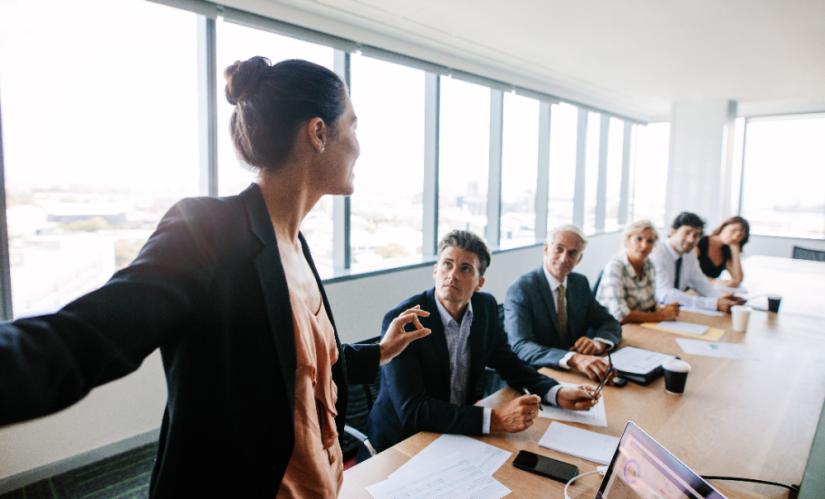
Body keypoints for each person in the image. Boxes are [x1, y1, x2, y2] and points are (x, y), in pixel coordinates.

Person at [0, 58, 431, 498]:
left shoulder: (296, 244)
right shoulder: (208, 230)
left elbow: (298, 368)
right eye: (353, 127)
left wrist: (378, 351)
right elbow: (81, 338)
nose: (359, 145)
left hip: (321, 483)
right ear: (318, 133)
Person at [365, 230, 599, 454]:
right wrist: (495, 419)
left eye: (465, 268)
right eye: (447, 264)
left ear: (480, 282)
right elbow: (413, 410)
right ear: (435, 270)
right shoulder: (405, 321)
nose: (453, 275)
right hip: (403, 442)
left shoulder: (485, 308)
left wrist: (556, 392)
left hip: (459, 433)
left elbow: (510, 364)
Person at [504, 224, 622, 382]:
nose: (564, 258)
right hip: (538, 375)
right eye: (559, 249)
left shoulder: (579, 283)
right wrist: (574, 359)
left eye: (572, 253)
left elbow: (609, 322)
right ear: (546, 249)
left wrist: (599, 343)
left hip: (578, 374)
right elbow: (521, 346)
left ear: (579, 259)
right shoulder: (522, 289)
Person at [649, 212, 745, 313]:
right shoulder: (657, 253)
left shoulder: (688, 253)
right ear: (672, 231)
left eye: (696, 235)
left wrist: (721, 297)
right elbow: (665, 294)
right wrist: (713, 303)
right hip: (653, 311)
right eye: (687, 233)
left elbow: (699, 281)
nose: (691, 240)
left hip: (675, 311)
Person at [596, 220, 680, 324]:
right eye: (639, 239)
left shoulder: (649, 264)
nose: (644, 246)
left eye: (650, 241)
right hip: (614, 328)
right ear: (627, 240)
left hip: (638, 325)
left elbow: (648, 305)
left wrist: (663, 310)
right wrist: (661, 315)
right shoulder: (615, 267)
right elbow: (619, 315)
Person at [696, 216, 750, 287]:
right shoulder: (700, 243)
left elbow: (738, 279)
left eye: (740, 235)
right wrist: (714, 282)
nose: (735, 237)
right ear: (723, 227)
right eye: (733, 231)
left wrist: (735, 250)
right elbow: (690, 273)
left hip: (707, 290)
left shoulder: (726, 251)